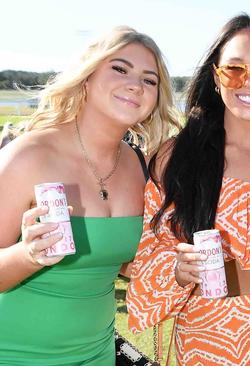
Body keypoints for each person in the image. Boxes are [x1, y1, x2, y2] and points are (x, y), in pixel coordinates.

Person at [126, 15, 250, 365]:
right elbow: (145, 247)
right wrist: (176, 269)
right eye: (234, 69)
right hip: (207, 331)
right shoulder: (176, 154)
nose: (249, 82)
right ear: (216, 77)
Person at [0, 26, 180, 364]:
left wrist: (177, 260)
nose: (135, 85)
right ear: (87, 76)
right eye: (120, 68)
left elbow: (120, 260)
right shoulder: (28, 157)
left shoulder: (137, 164)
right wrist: (29, 254)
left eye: (149, 79)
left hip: (96, 353)